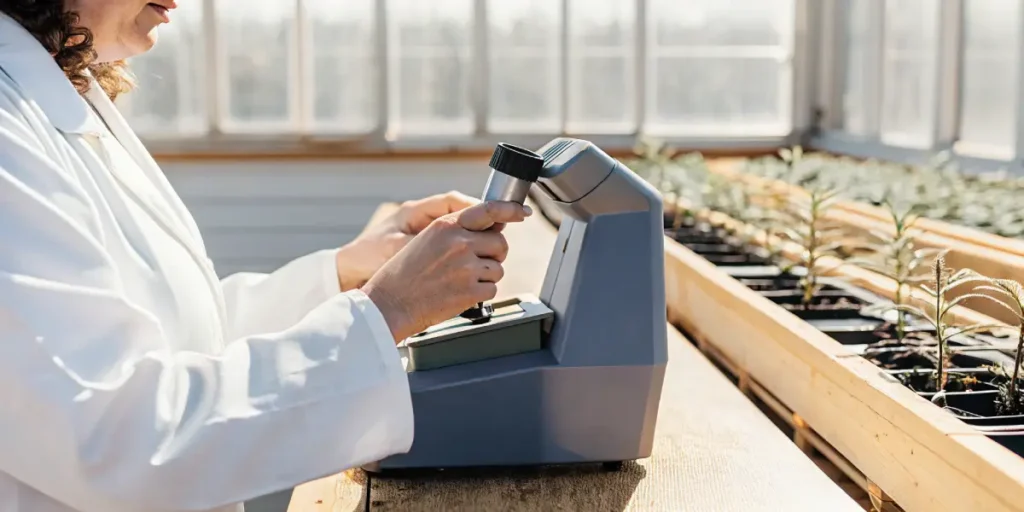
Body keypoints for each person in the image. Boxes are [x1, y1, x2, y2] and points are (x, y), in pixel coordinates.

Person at [0, 2, 532, 511]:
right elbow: (121, 437)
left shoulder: (63, 93)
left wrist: (342, 274)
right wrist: (389, 306)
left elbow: (184, 337)